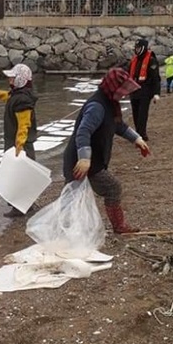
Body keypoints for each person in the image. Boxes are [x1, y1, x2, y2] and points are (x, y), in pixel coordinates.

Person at [63, 67, 149, 234]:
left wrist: (136, 139)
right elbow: (83, 131)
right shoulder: (97, 106)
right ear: (112, 87)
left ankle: (66, 230)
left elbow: (118, 125)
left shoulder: (110, 103)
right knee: (110, 189)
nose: (124, 94)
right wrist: (84, 158)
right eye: (122, 90)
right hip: (80, 161)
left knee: (72, 198)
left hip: (92, 160)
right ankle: (117, 227)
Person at [0, 63, 38, 218]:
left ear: (21, 79)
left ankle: (19, 208)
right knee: (23, 175)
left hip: (20, 145)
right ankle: (28, 204)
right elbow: (7, 96)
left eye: (13, 78)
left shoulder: (23, 100)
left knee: (18, 176)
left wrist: (19, 146)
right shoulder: (18, 95)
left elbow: (24, 124)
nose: (10, 80)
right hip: (17, 143)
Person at [127, 38, 160, 141]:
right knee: (135, 113)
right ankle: (138, 132)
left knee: (142, 113)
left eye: (138, 48)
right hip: (133, 90)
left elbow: (155, 78)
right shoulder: (134, 60)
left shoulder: (151, 60)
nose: (136, 50)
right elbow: (128, 74)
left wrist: (156, 93)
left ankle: (142, 134)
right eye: (135, 48)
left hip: (145, 90)